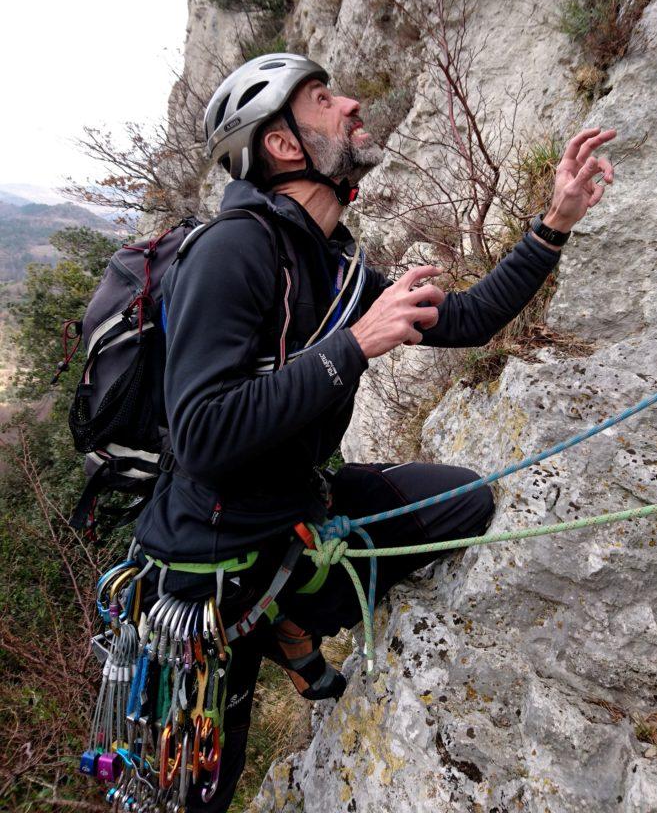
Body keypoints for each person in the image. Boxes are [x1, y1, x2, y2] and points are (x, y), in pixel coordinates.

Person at [133, 53, 614, 811]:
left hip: (297, 518)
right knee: (194, 797)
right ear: (286, 145)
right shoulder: (232, 252)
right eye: (324, 100)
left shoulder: (332, 261)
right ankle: (269, 630)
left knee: (465, 502)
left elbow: (466, 320)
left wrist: (553, 223)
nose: (353, 104)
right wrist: (353, 346)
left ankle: (291, 620)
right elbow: (201, 435)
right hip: (211, 569)